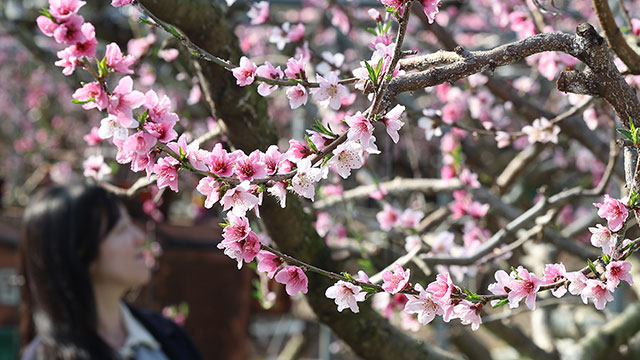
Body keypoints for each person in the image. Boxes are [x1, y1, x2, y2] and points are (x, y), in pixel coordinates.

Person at [19, 183, 203, 360]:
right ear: (80, 254)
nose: (139, 238)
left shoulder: (167, 335)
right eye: (121, 229)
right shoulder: (47, 356)